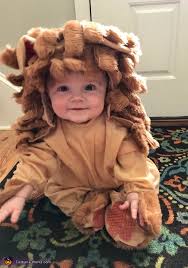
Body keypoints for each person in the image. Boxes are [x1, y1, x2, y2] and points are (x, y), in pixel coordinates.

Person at [0, 20, 162, 249]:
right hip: (73, 184)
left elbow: (132, 158)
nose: (77, 98)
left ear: (107, 88)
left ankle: (126, 205)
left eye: (89, 87)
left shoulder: (117, 126)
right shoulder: (49, 131)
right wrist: (20, 193)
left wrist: (136, 189)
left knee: (145, 176)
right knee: (55, 191)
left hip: (115, 178)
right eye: (63, 89)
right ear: (45, 94)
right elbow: (36, 162)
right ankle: (92, 206)